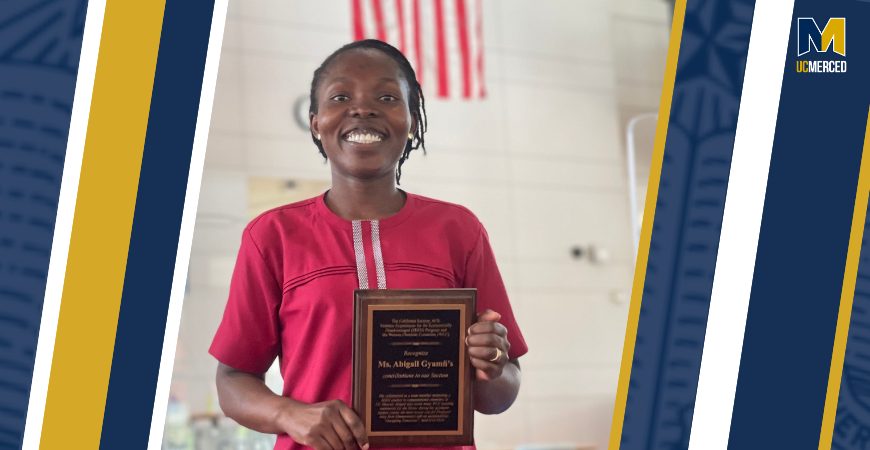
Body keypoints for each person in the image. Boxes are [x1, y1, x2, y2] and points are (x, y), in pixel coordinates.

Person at [209, 39, 528, 450]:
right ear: (315, 121)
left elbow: (500, 395)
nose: (363, 108)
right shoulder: (272, 236)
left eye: (387, 97)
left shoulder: (458, 230)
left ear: (412, 121)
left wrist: (492, 365)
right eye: (341, 97)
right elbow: (233, 379)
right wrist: (288, 413)